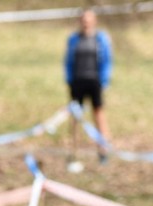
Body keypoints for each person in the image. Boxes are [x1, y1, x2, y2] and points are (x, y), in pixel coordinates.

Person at [64, 7, 113, 166]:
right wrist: (69, 80)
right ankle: (74, 152)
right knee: (76, 118)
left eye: (88, 19)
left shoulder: (101, 39)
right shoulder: (73, 39)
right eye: (83, 19)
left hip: (95, 82)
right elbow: (68, 61)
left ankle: (103, 150)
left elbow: (107, 60)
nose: (86, 22)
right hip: (77, 82)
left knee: (98, 115)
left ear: (94, 20)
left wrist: (104, 81)